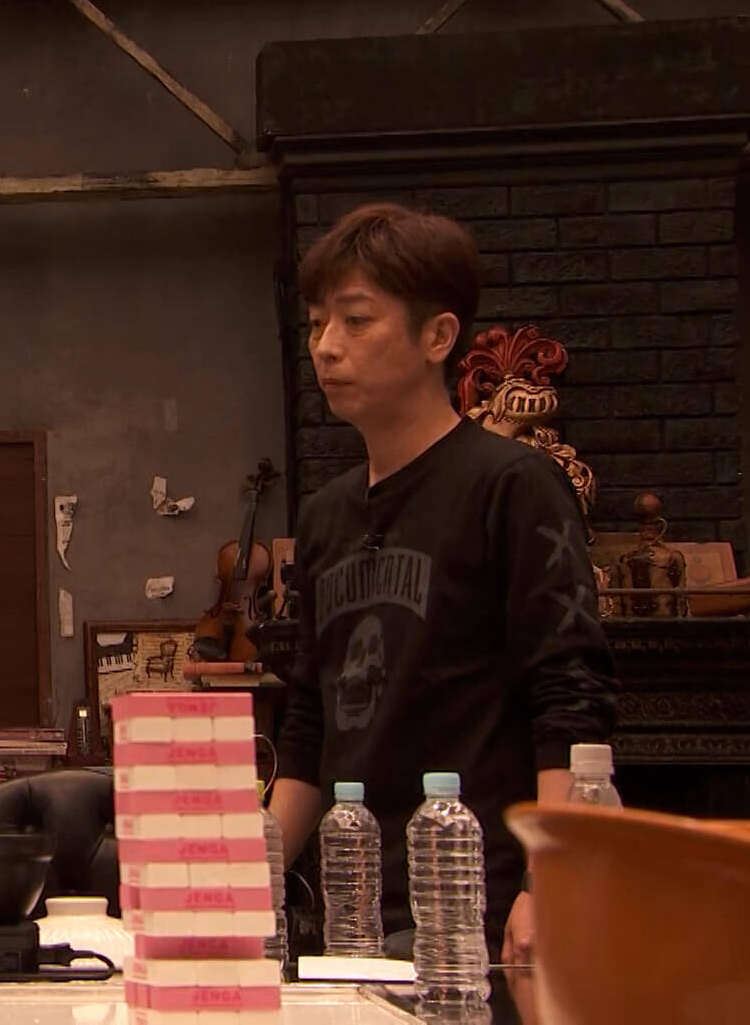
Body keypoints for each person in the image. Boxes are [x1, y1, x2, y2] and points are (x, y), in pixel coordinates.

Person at [268, 203, 618, 966]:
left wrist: (549, 885)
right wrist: (242, 879)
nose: (326, 346)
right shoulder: (325, 516)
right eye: (317, 324)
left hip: (478, 914)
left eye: (356, 320)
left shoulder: (514, 485)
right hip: (351, 915)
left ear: (438, 337)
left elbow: (569, 697)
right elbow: (308, 723)